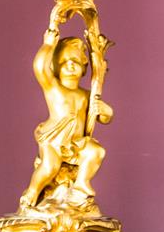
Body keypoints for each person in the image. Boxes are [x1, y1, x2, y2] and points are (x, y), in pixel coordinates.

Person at [19, 15, 110, 214]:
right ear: (56, 65)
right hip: (54, 141)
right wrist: (48, 44)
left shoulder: (87, 95)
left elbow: (103, 117)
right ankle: (32, 193)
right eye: (64, 61)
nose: (70, 65)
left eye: (75, 61)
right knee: (49, 167)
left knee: (96, 152)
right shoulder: (54, 89)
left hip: (76, 143)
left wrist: (106, 111)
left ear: (84, 66)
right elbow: (40, 68)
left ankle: (81, 185)